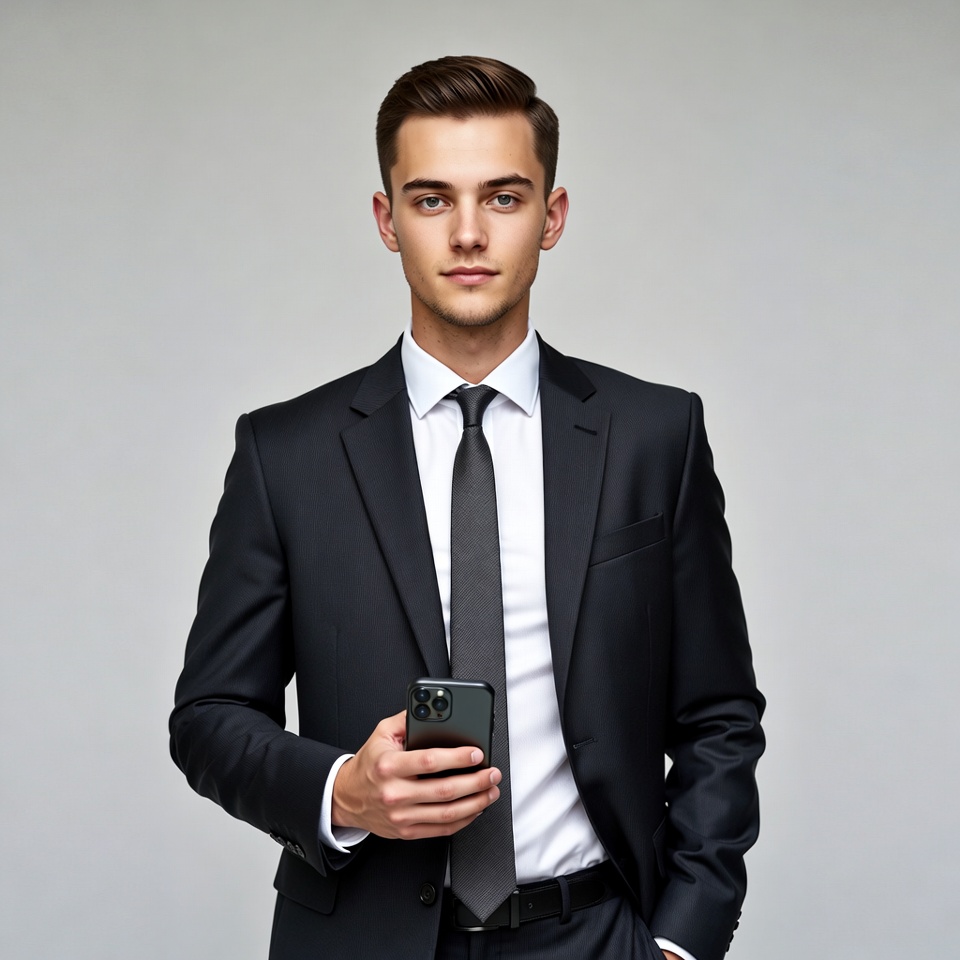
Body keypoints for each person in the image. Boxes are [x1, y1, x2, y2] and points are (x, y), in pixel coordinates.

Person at [170, 56, 764, 960]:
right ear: (387, 221)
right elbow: (209, 717)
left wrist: (684, 940)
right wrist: (341, 791)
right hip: (362, 938)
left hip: (597, 936)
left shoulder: (656, 435)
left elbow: (719, 714)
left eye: (504, 197)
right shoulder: (283, 453)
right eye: (433, 199)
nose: (470, 234)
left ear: (551, 217)